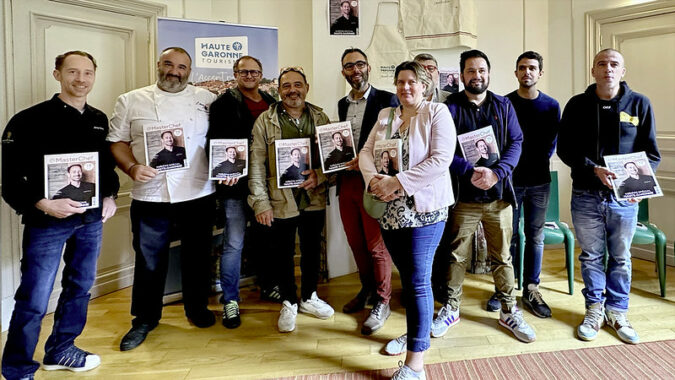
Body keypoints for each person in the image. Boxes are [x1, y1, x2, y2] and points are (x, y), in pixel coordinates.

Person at [1, 50, 119, 380]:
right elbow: (9, 181)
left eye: (87, 73)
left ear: (95, 76)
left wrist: (109, 195)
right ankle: (17, 368)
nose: (80, 79)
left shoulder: (98, 119)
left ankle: (61, 349)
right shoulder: (26, 120)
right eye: (73, 72)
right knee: (35, 297)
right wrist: (42, 203)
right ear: (58, 75)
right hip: (47, 222)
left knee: (79, 288)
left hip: (90, 221)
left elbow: (105, 168)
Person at [108, 47, 217, 351]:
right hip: (151, 195)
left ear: (189, 71)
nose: (175, 71)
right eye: (169, 64)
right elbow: (116, 141)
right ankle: (144, 318)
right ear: (158, 65)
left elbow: (221, 140)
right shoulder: (131, 100)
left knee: (197, 257)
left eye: (182, 67)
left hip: (198, 191)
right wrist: (131, 167)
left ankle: (196, 309)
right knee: (149, 261)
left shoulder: (206, 100)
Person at [431, 49, 535, 344]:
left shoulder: (504, 106)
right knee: (455, 255)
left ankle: (509, 309)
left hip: (499, 197)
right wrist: (468, 170)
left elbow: (517, 142)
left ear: (488, 73)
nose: (477, 76)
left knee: (502, 256)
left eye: (481, 70)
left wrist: (497, 173)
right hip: (463, 197)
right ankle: (451, 309)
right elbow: (442, 148)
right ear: (461, 75)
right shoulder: (448, 107)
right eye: (470, 71)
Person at [558, 49, 660, 344]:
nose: (608, 69)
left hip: (624, 199)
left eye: (614, 64)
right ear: (593, 71)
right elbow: (565, 149)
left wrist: (639, 185)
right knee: (591, 256)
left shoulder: (640, 104)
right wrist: (593, 170)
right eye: (602, 64)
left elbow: (651, 153)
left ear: (622, 71)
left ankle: (618, 311)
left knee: (621, 257)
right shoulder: (577, 105)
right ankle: (594, 309)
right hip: (586, 195)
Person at [361, 61, 455, 380]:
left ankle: (416, 364)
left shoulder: (437, 114)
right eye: (400, 81)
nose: (405, 87)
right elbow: (365, 152)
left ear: (425, 84)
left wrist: (397, 182)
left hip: (425, 211)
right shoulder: (387, 116)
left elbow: (441, 160)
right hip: (390, 211)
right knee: (410, 279)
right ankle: (417, 333)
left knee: (417, 281)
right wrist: (374, 179)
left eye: (412, 81)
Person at [248, 66, 334, 333]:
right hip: (280, 199)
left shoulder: (321, 117)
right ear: (279, 89)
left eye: (298, 85)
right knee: (282, 253)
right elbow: (256, 164)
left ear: (306, 87)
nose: (292, 90)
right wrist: (260, 202)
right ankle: (288, 301)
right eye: (286, 86)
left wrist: (320, 176)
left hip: (313, 197)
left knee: (312, 250)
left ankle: (309, 297)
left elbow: (334, 160)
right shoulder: (266, 120)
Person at [207, 55, 278, 327]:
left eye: (254, 72)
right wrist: (222, 171)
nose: (249, 76)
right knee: (234, 243)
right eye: (244, 72)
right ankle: (231, 300)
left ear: (261, 75)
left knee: (266, 240)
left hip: (266, 185)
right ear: (235, 74)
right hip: (234, 186)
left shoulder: (272, 104)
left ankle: (268, 284)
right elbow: (213, 140)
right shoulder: (223, 104)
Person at [336, 47, 398, 335]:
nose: (355, 70)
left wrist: (365, 162)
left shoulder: (387, 100)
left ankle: (383, 301)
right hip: (346, 183)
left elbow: (394, 142)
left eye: (359, 64)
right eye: (349, 66)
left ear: (369, 67)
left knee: (376, 246)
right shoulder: (340, 104)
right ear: (343, 72)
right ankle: (367, 290)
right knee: (356, 242)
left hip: (373, 182)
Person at [502, 51, 560, 318]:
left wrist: (537, 161)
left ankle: (531, 288)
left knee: (535, 237)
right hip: (510, 182)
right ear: (515, 72)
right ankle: (505, 288)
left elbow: (551, 144)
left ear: (540, 73)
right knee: (509, 236)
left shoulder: (551, 106)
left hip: (539, 181)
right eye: (522, 67)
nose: (527, 72)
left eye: (532, 68)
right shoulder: (505, 103)